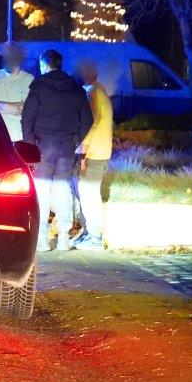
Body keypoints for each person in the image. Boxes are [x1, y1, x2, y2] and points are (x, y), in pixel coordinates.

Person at [21, 49, 93, 253]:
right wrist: (75, 139)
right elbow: (88, 119)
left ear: (44, 65)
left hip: (42, 146)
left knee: (41, 190)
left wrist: (29, 144)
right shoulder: (75, 87)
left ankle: (42, 239)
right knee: (63, 189)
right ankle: (63, 238)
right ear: (60, 64)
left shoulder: (39, 85)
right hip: (66, 146)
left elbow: (27, 118)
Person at [74, 60, 114, 250]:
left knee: (89, 194)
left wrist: (82, 151)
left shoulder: (91, 92)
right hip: (101, 151)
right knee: (88, 193)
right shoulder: (99, 90)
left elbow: (91, 122)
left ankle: (95, 238)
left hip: (93, 153)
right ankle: (89, 233)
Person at [0, 42, 34, 142]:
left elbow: (26, 109)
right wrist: (14, 107)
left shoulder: (29, 79)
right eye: (5, 56)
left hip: (19, 140)